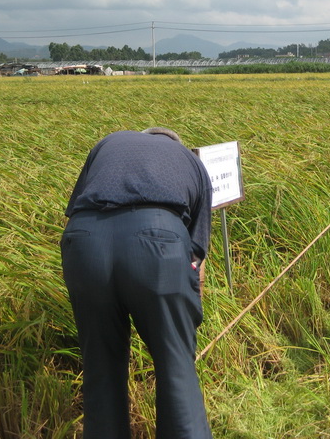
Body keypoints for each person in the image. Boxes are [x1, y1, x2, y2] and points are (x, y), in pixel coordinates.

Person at [60, 127, 213, 439]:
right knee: (175, 368)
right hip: (157, 239)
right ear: (175, 143)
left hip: (85, 241)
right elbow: (197, 261)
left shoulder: (108, 143)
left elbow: (75, 208)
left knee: (100, 368)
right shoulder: (193, 162)